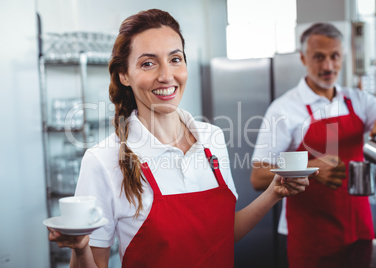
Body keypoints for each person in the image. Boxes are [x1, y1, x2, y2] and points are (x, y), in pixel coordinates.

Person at [47, 9, 311, 267]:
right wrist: (81, 251)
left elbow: (221, 235)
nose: (166, 76)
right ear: (124, 75)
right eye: (148, 63)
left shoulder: (212, 138)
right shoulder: (103, 160)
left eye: (175, 59)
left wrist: (274, 193)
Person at [251, 22, 376, 267]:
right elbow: (258, 176)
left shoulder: (357, 100)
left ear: (343, 56)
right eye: (319, 57)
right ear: (303, 58)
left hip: (359, 226)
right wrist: (312, 168)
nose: (328, 66)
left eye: (335, 56)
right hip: (310, 234)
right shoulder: (284, 108)